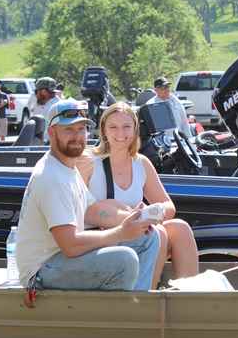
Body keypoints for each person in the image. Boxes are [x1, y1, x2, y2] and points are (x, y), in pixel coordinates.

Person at [15, 98, 161, 291]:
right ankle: (124, 308)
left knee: (148, 238)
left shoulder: (68, 168)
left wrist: (134, 220)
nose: (77, 136)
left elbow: (92, 211)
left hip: (63, 259)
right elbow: (70, 245)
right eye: (68, 130)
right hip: (42, 270)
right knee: (124, 260)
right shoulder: (51, 177)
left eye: (81, 129)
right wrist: (120, 233)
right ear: (52, 132)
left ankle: (137, 304)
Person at [77, 101, 199, 286]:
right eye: (113, 127)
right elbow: (78, 208)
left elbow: (168, 206)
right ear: (103, 131)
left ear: (135, 129)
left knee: (180, 228)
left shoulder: (141, 163)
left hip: (136, 231)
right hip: (100, 237)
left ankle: (190, 297)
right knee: (157, 233)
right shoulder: (89, 161)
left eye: (126, 127)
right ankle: (146, 296)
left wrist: (152, 212)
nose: (120, 133)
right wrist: (127, 217)